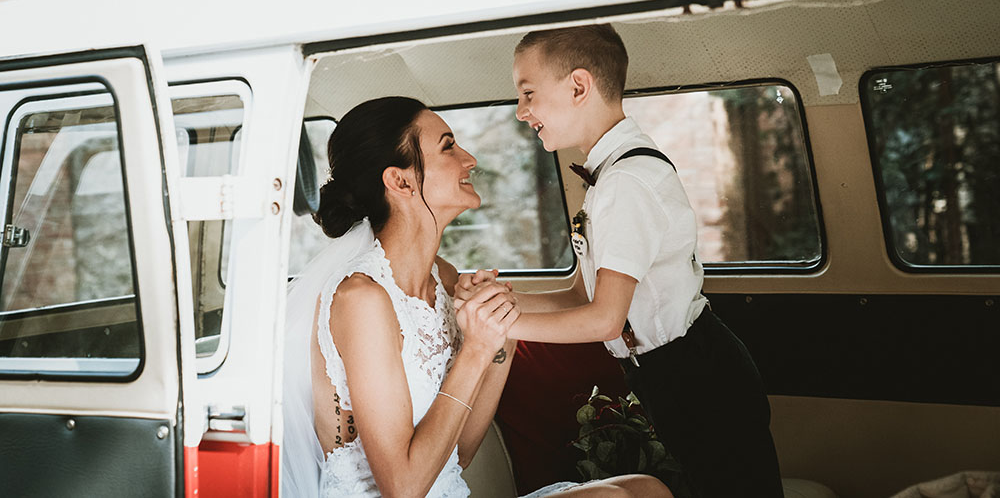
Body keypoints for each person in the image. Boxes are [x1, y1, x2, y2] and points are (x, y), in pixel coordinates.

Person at [282, 96, 673, 498]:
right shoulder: (361, 298)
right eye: (448, 146)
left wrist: (499, 339)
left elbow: (460, 452)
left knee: (647, 490)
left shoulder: (443, 277)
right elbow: (403, 487)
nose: (469, 159)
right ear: (400, 181)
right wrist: (475, 350)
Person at [456, 25, 784, 498]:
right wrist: (503, 301)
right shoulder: (611, 176)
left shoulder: (625, 182)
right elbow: (580, 295)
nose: (521, 112)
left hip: (695, 374)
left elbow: (605, 319)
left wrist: (497, 328)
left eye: (527, 94)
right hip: (673, 372)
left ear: (578, 86)